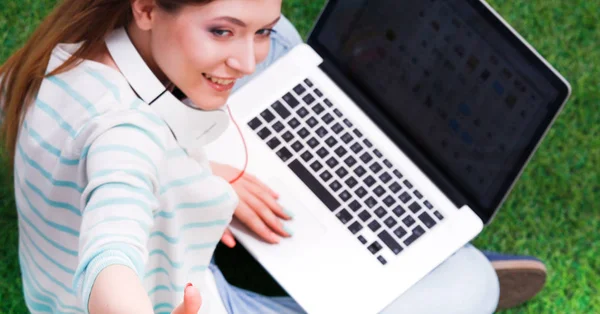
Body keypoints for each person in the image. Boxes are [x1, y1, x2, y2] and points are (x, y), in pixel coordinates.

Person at [0, 0, 547, 313]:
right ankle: (420, 276)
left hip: (76, 273)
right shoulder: (126, 138)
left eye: (251, 31)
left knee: (286, 44)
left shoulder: (64, 52)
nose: (242, 60)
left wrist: (194, 176)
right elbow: (111, 256)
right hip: (188, 298)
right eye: (222, 32)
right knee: (470, 280)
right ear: (146, 8)